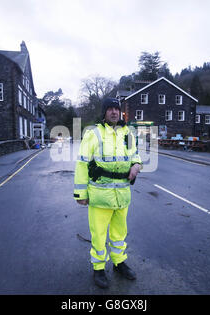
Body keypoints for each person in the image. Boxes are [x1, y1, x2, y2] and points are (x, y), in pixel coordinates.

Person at [73, 98, 142, 289]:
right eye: (110, 109)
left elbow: (134, 154)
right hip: (100, 195)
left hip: (122, 194)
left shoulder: (128, 133)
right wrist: (81, 193)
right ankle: (99, 268)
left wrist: (137, 164)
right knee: (99, 235)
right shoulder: (93, 133)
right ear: (104, 112)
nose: (114, 112)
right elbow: (82, 163)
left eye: (117, 109)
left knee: (120, 233)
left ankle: (119, 263)